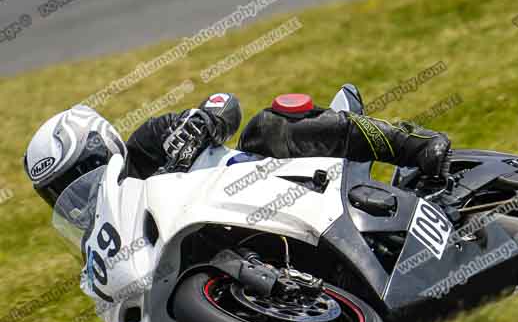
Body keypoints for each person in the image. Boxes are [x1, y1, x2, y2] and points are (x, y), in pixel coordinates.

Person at [23, 87, 452, 209]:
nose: (75, 199)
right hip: (239, 244)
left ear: (103, 151)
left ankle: (414, 146)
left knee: (267, 126)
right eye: (58, 195)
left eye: (81, 176)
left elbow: (224, 103)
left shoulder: (147, 146)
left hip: (270, 178)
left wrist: (201, 125)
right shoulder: (107, 243)